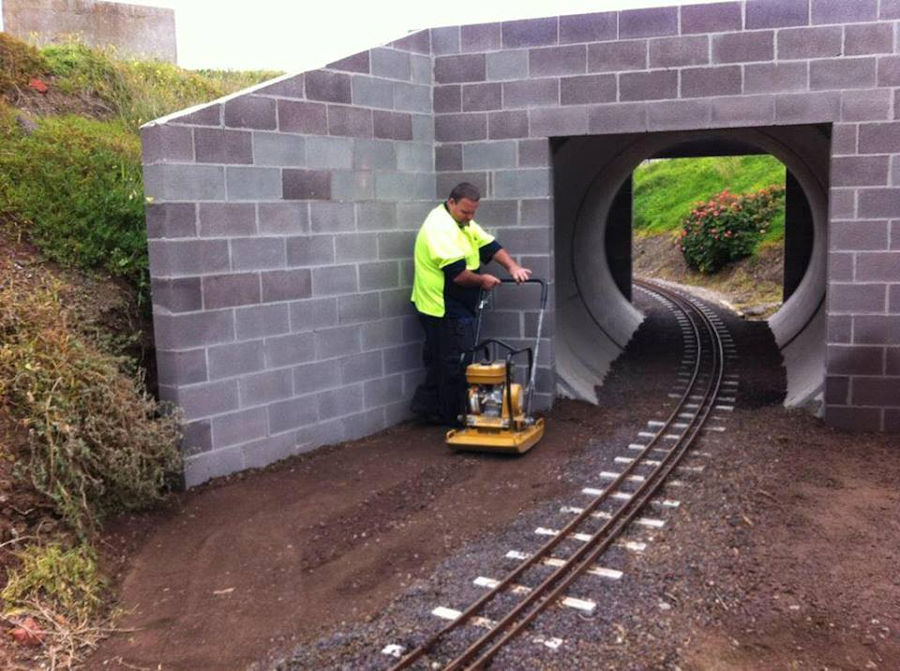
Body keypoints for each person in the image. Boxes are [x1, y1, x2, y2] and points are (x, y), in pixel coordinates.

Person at [409, 182, 531, 426]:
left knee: (441, 360)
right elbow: (458, 275)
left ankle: (426, 410)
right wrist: (483, 280)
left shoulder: (462, 222)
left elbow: (489, 245)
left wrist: (513, 267)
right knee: (455, 362)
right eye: (466, 211)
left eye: (474, 212)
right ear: (451, 202)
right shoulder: (439, 228)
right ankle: (453, 419)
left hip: (457, 304)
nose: (470, 217)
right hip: (440, 306)